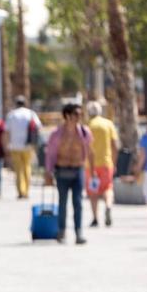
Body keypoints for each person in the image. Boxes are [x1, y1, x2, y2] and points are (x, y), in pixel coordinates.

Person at [43, 102, 94, 244]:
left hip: (78, 170)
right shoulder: (57, 134)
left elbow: (90, 152)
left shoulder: (84, 132)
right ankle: (62, 231)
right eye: (76, 114)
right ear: (67, 116)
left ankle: (78, 233)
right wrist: (48, 172)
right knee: (62, 203)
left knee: (78, 202)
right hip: (62, 170)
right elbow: (50, 154)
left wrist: (93, 171)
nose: (79, 117)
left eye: (80, 114)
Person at [85, 101, 119, 228]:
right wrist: (114, 163)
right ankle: (108, 206)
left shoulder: (88, 126)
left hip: (90, 165)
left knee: (93, 191)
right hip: (106, 163)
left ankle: (95, 218)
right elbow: (115, 145)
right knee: (108, 188)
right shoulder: (108, 124)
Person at [3, 96, 42, 199]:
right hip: (28, 146)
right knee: (27, 168)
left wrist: (6, 145)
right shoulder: (30, 114)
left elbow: (6, 131)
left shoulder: (12, 115)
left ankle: (21, 191)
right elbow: (38, 126)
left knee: (18, 170)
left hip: (15, 146)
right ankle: (26, 191)